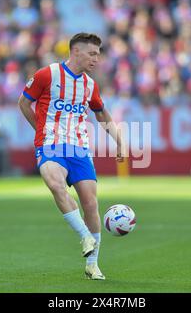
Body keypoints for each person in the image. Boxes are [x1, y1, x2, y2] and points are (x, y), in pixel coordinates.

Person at [18, 33, 126, 280]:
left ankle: (93, 265)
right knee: (56, 185)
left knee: (90, 203)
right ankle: (85, 236)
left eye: (98, 54)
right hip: (50, 145)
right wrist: (41, 130)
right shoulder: (47, 75)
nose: (96, 59)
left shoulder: (90, 85)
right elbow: (24, 103)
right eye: (92, 53)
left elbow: (102, 114)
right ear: (76, 52)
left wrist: (119, 142)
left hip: (79, 148)